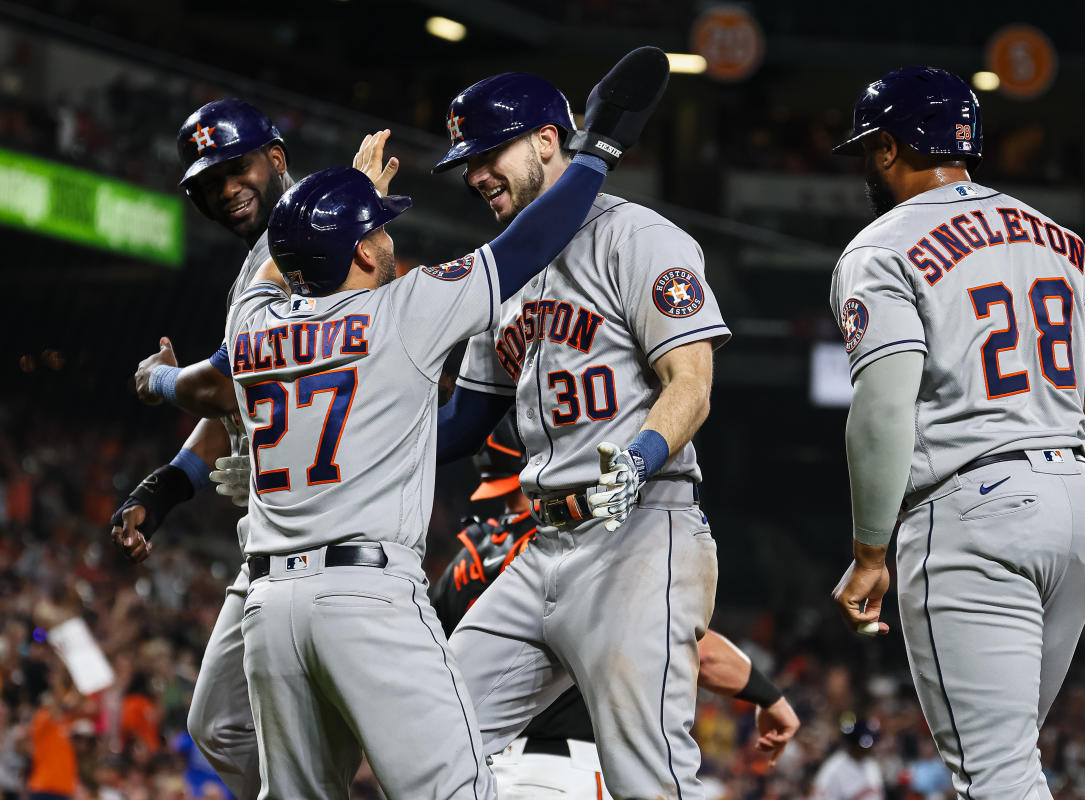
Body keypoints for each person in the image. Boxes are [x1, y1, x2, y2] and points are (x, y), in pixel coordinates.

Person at [223, 48, 669, 798]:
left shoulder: (250, 327)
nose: (394, 238)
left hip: (268, 612)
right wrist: (599, 149)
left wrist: (339, 198)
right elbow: (527, 244)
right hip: (365, 598)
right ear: (364, 249)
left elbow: (276, 264)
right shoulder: (404, 309)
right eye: (381, 228)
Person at [426, 68, 731, 800]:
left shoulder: (639, 237)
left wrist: (639, 456)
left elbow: (691, 384)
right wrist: (336, 452)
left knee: (648, 779)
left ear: (546, 140)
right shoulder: (505, 272)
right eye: (465, 163)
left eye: (487, 155)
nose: (474, 176)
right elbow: (459, 428)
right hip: (544, 545)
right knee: (429, 737)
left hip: (642, 531)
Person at [826, 67, 1085, 799]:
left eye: (871, 149)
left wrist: (870, 553)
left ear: (891, 147)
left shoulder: (882, 246)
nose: (868, 165)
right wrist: (1024, 427)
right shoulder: (1057, 235)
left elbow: (883, 409)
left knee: (995, 777)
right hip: (1079, 508)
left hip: (976, 513)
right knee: (1007, 765)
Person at [430, 413, 799, 798]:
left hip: (484, 771)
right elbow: (688, 651)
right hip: (572, 775)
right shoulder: (573, 547)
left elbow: (434, 673)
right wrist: (768, 696)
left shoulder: (463, 564)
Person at [109, 97, 294, 799]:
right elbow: (237, 399)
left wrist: (158, 378)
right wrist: (164, 488)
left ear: (275, 159)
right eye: (209, 183)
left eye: (237, 168)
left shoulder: (309, 237)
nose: (225, 190)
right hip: (272, 539)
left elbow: (219, 383)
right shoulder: (256, 266)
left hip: (339, 530)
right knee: (220, 725)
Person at [810, 719, 884, 800]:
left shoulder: (871, 764)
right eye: (867, 744)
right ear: (854, 745)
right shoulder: (833, 770)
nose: (871, 748)